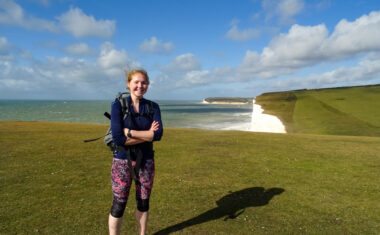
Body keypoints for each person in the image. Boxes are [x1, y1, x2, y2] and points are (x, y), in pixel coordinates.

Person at [108, 69, 163, 235]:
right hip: (121, 161)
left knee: (143, 202)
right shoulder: (118, 106)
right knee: (119, 204)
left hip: (146, 161)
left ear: (148, 84)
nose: (140, 86)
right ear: (128, 84)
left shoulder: (153, 107)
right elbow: (118, 139)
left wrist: (130, 133)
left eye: (144, 82)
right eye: (136, 82)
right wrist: (148, 135)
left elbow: (158, 135)